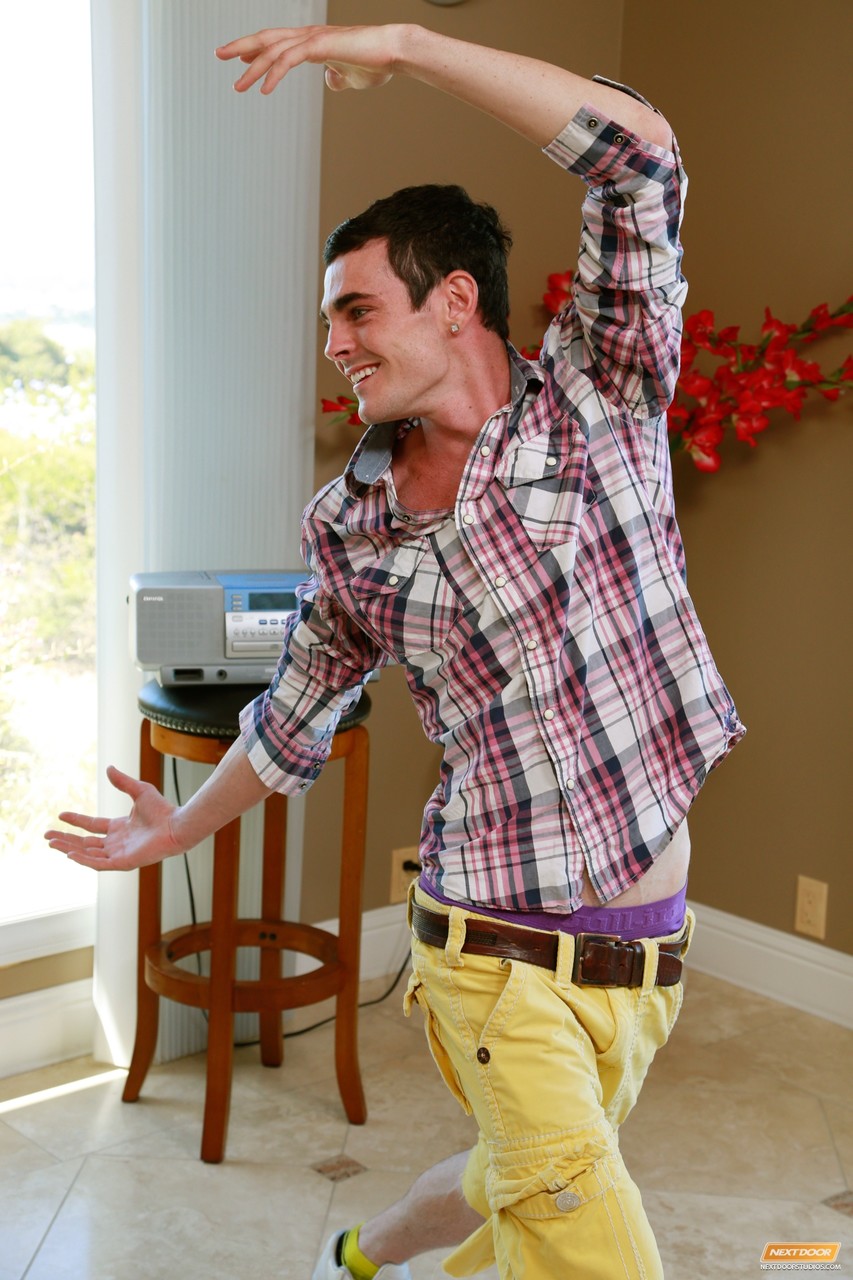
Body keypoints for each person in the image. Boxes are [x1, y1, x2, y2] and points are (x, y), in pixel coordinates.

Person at [46, 21, 745, 1280]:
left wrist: (410, 46)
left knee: (510, 1178)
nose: (336, 341)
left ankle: (360, 1255)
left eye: (357, 309)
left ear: (455, 301)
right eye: (329, 320)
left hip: (645, 948)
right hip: (489, 948)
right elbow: (293, 711)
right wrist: (177, 828)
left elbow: (639, 157)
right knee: (590, 1241)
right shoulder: (351, 521)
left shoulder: (597, 397)